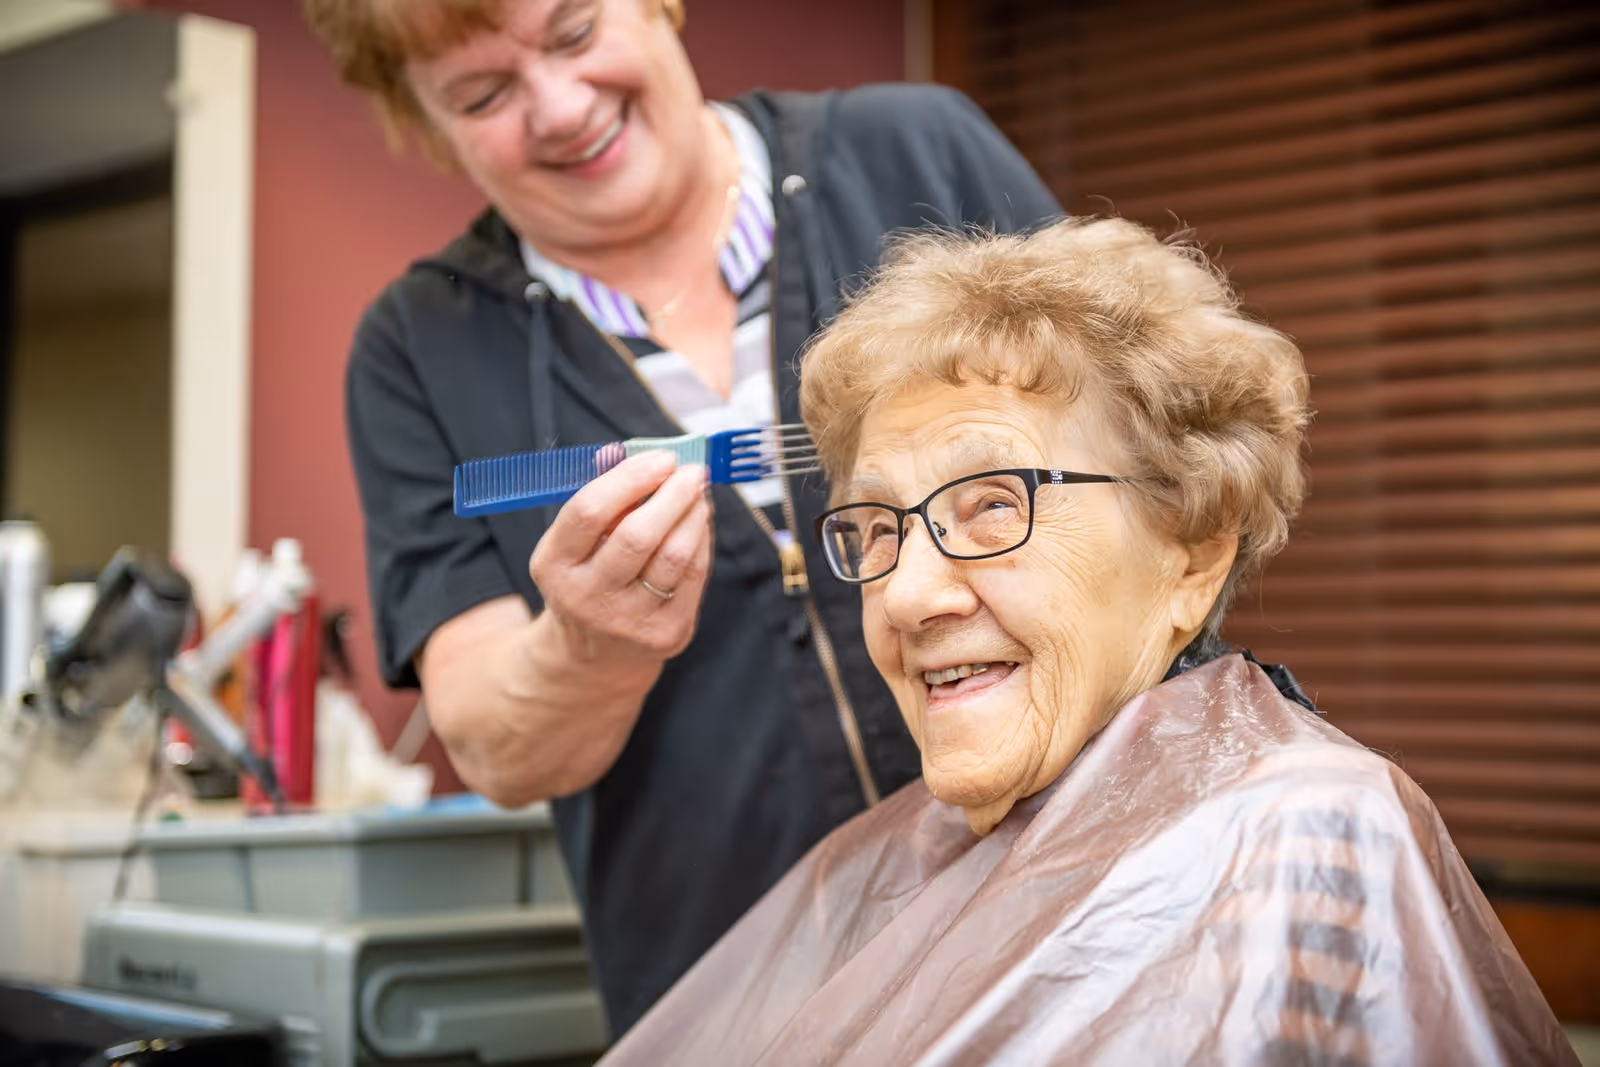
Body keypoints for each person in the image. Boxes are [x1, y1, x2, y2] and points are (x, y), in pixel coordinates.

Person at [597, 217, 1579, 1067]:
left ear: (1191, 549)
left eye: (992, 505)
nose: (904, 591)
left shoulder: (1299, 837)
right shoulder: (852, 882)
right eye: (880, 528)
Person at [303, 0, 1059, 1036]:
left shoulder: (916, 153)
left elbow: (1153, 463)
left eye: (573, 36)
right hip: (735, 1003)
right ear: (425, 121)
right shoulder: (419, 348)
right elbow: (491, 740)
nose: (560, 110)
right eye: (483, 95)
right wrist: (588, 645)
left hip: (1073, 928)